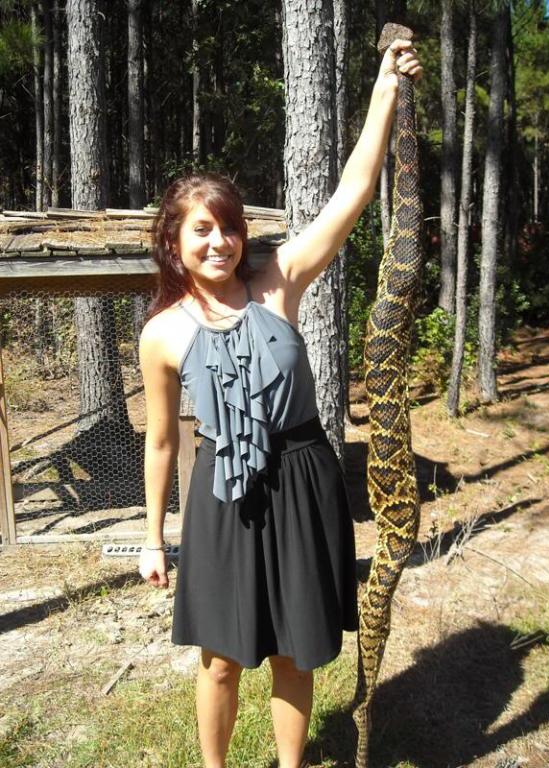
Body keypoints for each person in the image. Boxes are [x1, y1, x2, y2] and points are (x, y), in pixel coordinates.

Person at [139, 39, 422, 768]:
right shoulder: (162, 332)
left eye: (229, 226)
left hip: (302, 476)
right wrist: (152, 537)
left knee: (296, 650)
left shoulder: (279, 279)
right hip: (222, 491)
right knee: (220, 659)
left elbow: (353, 192)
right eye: (202, 229)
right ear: (174, 240)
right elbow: (162, 441)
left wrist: (385, 89)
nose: (221, 242)